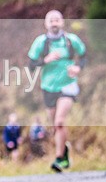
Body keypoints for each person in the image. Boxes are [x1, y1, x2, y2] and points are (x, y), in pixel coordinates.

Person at [28, 10, 86, 172]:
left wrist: (77, 67)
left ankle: (59, 158)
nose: (54, 23)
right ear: (46, 24)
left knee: (60, 122)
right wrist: (45, 60)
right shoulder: (41, 42)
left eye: (57, 20)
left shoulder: (71, 40)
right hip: (48, 87)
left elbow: (83, 56)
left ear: (62, 22)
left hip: (68, 85)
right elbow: (31, 66)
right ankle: (65, 150)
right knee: (55, 126)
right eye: (51, 20)